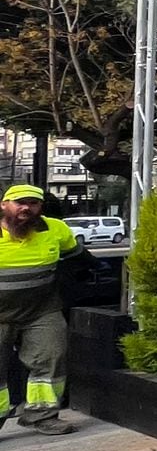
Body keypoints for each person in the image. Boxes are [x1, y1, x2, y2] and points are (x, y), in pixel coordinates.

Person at [0, 184, 86, 436]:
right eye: (20, 202)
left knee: (52, 357)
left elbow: (76, 256)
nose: (26, 208)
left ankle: (42, 415)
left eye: (33, 203)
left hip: (42, 310)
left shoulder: (55, 229)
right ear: (5, 205)